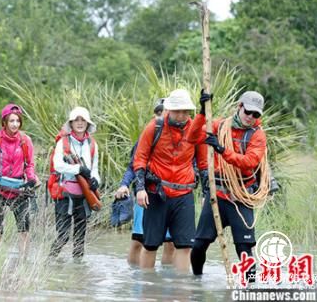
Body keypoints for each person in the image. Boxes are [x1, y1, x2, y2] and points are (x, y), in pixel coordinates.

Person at [187, 91, 267, 281]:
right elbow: (192, 138)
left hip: (241, 197)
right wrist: (201, 113)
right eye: (248, 112)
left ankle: (250, 290)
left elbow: (249, 161)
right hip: (217, 196)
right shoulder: (220, 126)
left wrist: (222, 150)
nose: (251, 117)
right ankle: (196, 285)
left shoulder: (257, 135)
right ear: (240, 106)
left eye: (256, 115)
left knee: (244, 249)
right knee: (199, 245)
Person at [133, 89, 207, 272]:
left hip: (184, 194)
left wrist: (206, 193)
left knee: (184, 245)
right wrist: (140, 189)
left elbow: (204, 164)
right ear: (168, 110)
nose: (181, 115)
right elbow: (140, 159)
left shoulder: (197, 130)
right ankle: (147, 287)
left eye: (185, 111)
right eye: (177, 111)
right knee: (150, 244)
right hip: (157, 192)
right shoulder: (154, 127)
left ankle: (181, 291)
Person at [114, 98, 176, 266]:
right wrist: (124, 184)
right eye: (158, 111)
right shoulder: (148, 135)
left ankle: (167, 284)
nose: (161, 114)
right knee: (139, 240)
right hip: (147, 193)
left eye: (164, 111)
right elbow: (133, 166)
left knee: (171, 243)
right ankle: (136, 278)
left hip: (173, 195)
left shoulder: (180, 137)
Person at [0, 104, 38, 255]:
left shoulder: (25, 140)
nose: (15, 124)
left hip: (19, 189)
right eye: (11, 121)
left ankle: (23, 260)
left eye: (18, 121)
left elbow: (30, 164)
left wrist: (31, 179)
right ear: (4, 122)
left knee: (24, 228)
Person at [49, 106, 100, 261]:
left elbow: (95, 169)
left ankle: (78, 274)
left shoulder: (92, 144)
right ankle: (48, 262)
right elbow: (57, 165)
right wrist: (78, 169)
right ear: (70, 124)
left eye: (82, 120)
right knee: (63, 236)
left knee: (79, 242)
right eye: (76, 120)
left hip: (84, 194)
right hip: (64, 193)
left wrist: (95, 181)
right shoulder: (62, 143)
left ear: (87, 123)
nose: (79, 123)